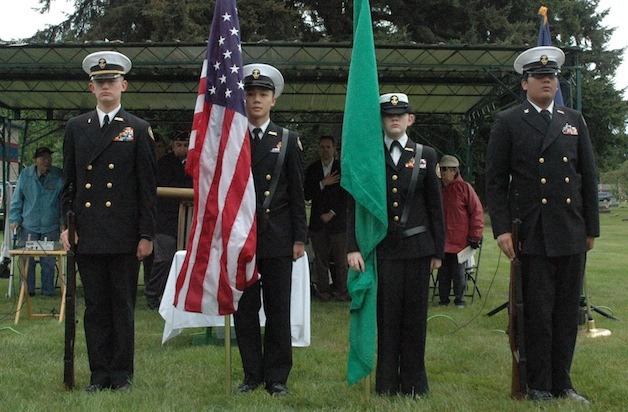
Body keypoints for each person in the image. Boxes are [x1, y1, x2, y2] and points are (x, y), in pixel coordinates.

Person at [485, 46, 599, 404]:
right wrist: (502, 229)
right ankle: (538, 384)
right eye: (539, 76)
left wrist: (591, 228)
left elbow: (588, 176)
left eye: (551, 77)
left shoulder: (573, 120)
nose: (547, 80)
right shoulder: (509, 121)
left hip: (571, 229)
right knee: (537, 312)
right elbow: (495, 181)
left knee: (567, 312)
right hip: (533, 232)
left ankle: (563, 382)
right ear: (525, 83)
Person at [60, 51, 156, 393]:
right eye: (100, 82)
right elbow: (68, 183)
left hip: (125, 235)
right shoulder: (75, 128)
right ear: (91, 87)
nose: (106, 87)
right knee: (96, 308)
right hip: (88, 234)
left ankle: (122, 375)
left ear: (123, 85)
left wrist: (147, 234)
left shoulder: (138, 129)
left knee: (122, 307)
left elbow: (147, 189)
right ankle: (99, 375)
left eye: (112, 81)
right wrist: (65, 225)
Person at [347, 93, 445, 397]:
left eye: (400, 114)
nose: (394, 118)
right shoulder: (370, 156)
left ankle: (415, 384)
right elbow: (356, 204)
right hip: (384, 250)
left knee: (415, 320)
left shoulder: (426, 154)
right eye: (388, 114)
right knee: (387, 320)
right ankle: (387, 384)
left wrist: (438, 251)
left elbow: (435, 208)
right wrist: (353, 246)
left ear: (410, 119)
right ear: (380, 120)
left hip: (417, 249)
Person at [234, 63, 307, 397]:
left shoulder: (288, 140)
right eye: (250, 94)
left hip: (277, 236)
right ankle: (251, 374)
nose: (256, 100)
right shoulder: (232, 140)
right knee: (245, 309)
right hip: (242, 238)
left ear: (273, 100)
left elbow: (296, 194)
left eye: (263, 94)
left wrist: (299, 238)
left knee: (278, 309)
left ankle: (277, 376)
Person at [144, 132, 192, 310]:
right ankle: (152, 294)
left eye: (186, 145)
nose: (182, 149)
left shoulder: (199, 162)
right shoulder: (163, 164)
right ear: (173, 145)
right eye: (179, 145)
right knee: (164, 258)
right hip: (166, 219)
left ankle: (185, 294)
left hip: (191, 217)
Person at [10, 147, 64, 296]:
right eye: (43, 158)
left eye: (48, 158)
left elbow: (63, 201)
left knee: (49, 261)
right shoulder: (25, 175)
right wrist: (15, 219)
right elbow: (17, 199)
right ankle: (27, 291)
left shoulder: (58, 175)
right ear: (35, 161)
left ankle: (48, 291)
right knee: (27, 260)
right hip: (29, 225)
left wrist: (62, 222)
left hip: (50, 225)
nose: (46, 161)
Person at [304, 135, 349, 302]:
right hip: (318, 223)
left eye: (328, 147)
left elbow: (347, 196)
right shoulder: (312, 169)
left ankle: (342, 291)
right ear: (318, 149)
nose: (325, 150)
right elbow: (307, 193)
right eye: (322, 147)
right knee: (321, 260)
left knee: (341, 261)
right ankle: (324, 291)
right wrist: (323, 183)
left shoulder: (342, 168)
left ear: (334, 148)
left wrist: (332, 212)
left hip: (338, 222)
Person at [436, 154, 483, 308]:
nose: (441, 172)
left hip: (460, 241)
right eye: (441, 169)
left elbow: (477, 212)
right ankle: (443, 299)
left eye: (445, 169)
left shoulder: (465, 188)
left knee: (458, 272)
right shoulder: (438, 189)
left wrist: (475, 236)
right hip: (443, 239)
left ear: (454, 171)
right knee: (442, 272)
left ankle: (459, 299)